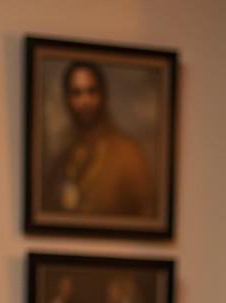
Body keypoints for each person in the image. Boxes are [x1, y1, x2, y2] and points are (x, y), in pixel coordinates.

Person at [42, 60, 156, 218]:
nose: (85, 101)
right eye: (77, 93)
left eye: (92, 91)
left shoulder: (128, 153)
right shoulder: (62, 162)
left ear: (103, 95)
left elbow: (147, 214)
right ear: (67, 99)